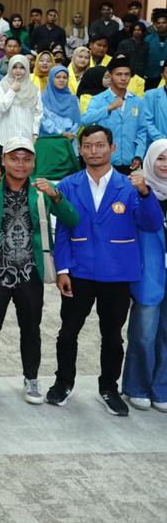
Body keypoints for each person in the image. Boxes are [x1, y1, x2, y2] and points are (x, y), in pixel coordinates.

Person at [49, 125, 162, 415]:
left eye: (100, 145)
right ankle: (63, 383)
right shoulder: (67, 185)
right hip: (79, 272)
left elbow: (150, 224)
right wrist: (62, 269)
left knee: (112, 336)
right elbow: (61, 232)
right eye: (87, 146)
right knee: (68, 333)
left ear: (112, 148)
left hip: (117, 273)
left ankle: (109, 388)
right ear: (80, 149)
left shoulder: (130, 186)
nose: (94, 151)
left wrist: (146, 194)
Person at [0, 137, 78, 405]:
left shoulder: (41, 190)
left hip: (30, 274)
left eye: (26, 159)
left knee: (31, 328)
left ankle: (31, 378)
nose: (20, 164)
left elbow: (72, 219)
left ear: (33, 163)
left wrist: (57, 195)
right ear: (4, 160)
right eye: (14, 158)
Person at [124, 138, 167, 411]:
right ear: (150, 160)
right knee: (144, 333)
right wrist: (145, 193)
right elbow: (147, 224)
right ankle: (137, 386)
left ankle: (161, 387)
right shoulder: (138, 192)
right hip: (148, 273)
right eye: (161, 158)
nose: (165, 165)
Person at [80, 56, 144, 172]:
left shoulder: (138, 101)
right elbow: (85, 120)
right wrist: (109, 108)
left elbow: (142, 131)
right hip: (105, 161)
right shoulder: (98, 99)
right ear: (110, 76)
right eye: (119, 74)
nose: (123, 78)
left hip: (130, 160)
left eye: (127, 74)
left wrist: (139, 155)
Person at [0, 55, 43, 154]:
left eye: (22, 67)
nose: (18, 70)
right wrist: (12, 90)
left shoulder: (34, 89)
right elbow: (1, 107)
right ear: (10, 68)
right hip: (4, 138)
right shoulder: (1, 86)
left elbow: (38, 113)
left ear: (27, 69)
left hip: (26, 137)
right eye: (14, 67)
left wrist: (35, 133)